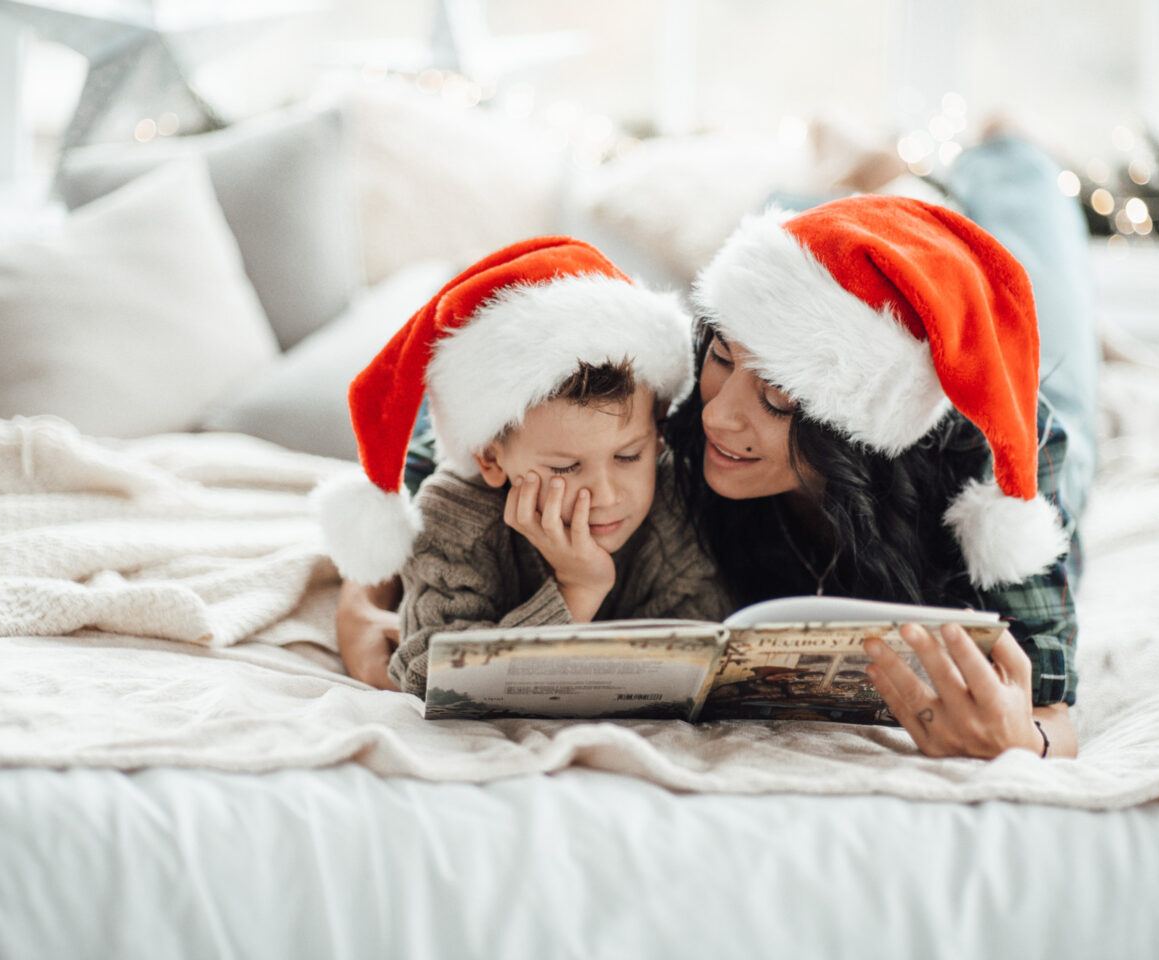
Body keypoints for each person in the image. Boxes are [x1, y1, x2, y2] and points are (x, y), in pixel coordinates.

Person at [336, 137, 1097, 761]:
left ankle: (994, 153)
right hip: (828, 268)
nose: (721, 417)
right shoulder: (673, 408)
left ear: (851, 425)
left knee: (1027, 249)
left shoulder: (999, 468)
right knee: (818, 235)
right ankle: (849, 181)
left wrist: (1022, 740)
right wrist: (360, 599)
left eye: (776, 398)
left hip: (1019, 406)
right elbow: (459, 439)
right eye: (723, 355)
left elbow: (1049, 706)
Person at [314, 236, 729, 696]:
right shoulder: (454, 520)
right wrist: (577, 590)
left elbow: (702, 646)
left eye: (629, 456)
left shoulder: (672, 499)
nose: (608, 495)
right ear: (491, 459)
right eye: (567, 468)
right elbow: (430, 674)